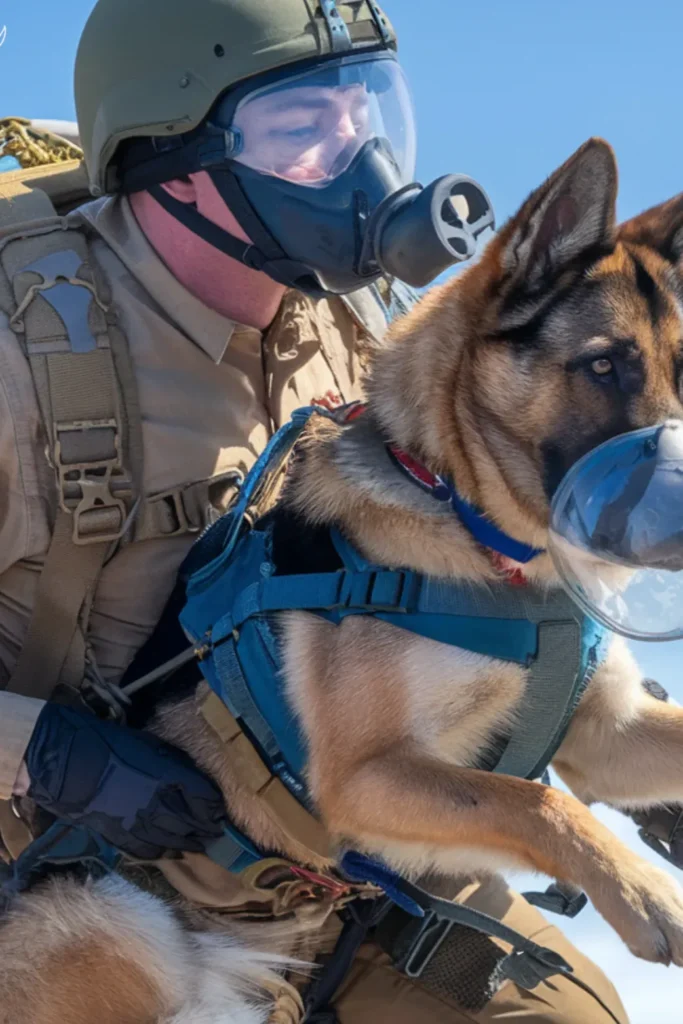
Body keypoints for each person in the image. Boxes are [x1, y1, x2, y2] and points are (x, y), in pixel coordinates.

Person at [0, 0, 641, 1020]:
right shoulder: (24, 363)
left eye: (367, 112)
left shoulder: (362, 330)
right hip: (97, 898)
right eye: (302, 131)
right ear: (177, 154)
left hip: (356, 865)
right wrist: (46, 749)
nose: (360, 160)